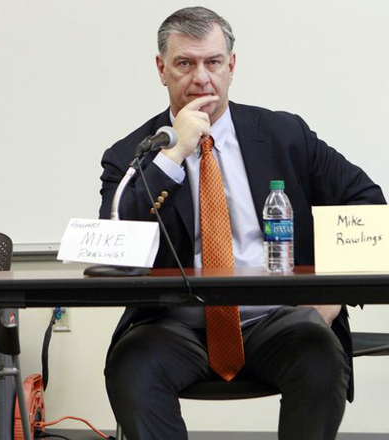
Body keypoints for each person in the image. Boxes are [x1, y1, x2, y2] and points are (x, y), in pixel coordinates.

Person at [99, 7, 385, 440]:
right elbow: (114, 239)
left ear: (231, 66)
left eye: (213, 62)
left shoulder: (284, 135)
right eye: (185, 63)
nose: (201, 78)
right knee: (132, 366)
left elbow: (367, 203)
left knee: (320, 356)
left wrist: (332, 297)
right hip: (174, 326)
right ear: (161, 70)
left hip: (278, 320)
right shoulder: (131, 154)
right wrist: (172, 157)